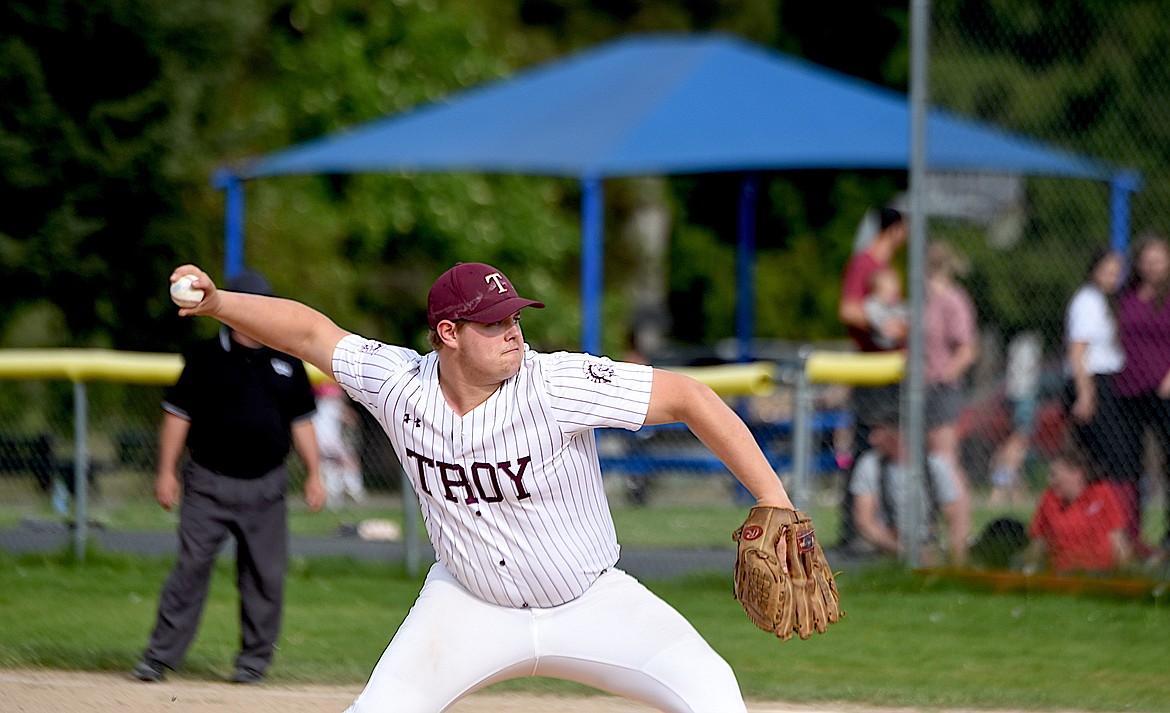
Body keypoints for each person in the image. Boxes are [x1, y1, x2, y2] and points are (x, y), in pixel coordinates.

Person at [166, 260, 798, 713]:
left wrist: (776, 501)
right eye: (494, 324)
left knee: (712, 691)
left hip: (592, 603)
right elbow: (309, 333)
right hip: (466, 605)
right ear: (448, 334)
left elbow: (689, 396)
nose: (513, 332)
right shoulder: (399, 385)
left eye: (515, 318)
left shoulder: (554, 383)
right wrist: (219, 303)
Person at [133, 269, 325, 685]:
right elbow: (177, 416)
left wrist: (315, 474)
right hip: (209, 482)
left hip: (268, 484)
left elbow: (303, 421)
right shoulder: (203, 357)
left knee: (265, 577)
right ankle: (159, 657)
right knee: (190, 570)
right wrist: (166, 472)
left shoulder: (288, 362)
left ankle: (253, 663)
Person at [837, 205, 908, 550]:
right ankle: (856, 530)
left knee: (890, 447)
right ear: (894, 229)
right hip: (872, 373)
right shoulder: (865, 264)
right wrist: (883, 324)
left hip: (891, 372)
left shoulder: (885, 268)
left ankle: (883, 527)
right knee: (868, 447)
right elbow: (849, 309)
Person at [849, 405, 968, 567]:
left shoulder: (934, 465)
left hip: (927, 542)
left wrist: (955, 559)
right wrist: (904, 552)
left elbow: (956, 516)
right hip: (886, 544)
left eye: (879, 431)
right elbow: (864, 521)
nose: (872, 439)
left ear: (898, 433)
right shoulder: (870, 465)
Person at [1113, 235, 1170, 555]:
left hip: (1163, 390)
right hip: (1129, 390)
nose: (1153, 265)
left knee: (1167, 463)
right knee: (1129, 466)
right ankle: (1132, 536)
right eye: (1148, 260)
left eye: (1159, 259)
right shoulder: (1127, 296)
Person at [1062, 248, 1126, 513]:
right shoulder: (1087, 300)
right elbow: (1078, 351)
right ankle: (1093, 519)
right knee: (1105, 457)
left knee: (1110, 456)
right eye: (1108, 270)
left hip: (1106, 382)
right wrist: (1085, 393)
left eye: (1117, 271)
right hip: (1091, 382)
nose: (1113, 276)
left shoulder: (1105, 301)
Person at [922, 240, 977, 539]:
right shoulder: (926, 301)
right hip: (925, 389)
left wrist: (941, 377)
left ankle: (960, 535)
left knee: (945, 462)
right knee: (931, 463)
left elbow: (967, 350)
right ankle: (933, 536)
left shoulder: (953, 300)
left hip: (940, 389)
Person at [1024, 446, 1131, 574]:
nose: (1050, 480)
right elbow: (1038, 543)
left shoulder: (1102, 493)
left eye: (1054, 474)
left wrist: (1122, 574)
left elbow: (1118, 541)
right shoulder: (1049, 499)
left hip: (1099, 572)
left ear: (1076, 473)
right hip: (1063, 573)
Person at [988, 331, 1042, 507]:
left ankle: (1014, 491)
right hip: (1024, 394)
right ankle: (1000, 489)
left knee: (1015, 446)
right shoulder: (1028, 342)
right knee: (1017, 446)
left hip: (1018, 392)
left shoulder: (1019, 342)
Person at [313, 380, 367, 509]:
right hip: (331, 442)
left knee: (331, 468)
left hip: (317, 443)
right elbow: (350, 418)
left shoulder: (316, 405)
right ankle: (355, 488)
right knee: (350, 461)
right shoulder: (332, 405)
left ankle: (334, 498)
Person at [863, 266, 909, 352]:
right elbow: (887, 328)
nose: (895, 294)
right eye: (890, 292)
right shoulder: (873, 306)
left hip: (895, 351)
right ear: (877, 292)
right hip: (878, 351)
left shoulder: (897, 306)